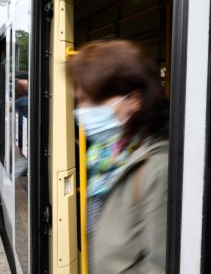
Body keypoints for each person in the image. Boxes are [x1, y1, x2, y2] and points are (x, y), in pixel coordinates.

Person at [68, 40, 169, 274]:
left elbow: (160, 265)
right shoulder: (107, 156)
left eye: (93, 100)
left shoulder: (157, 167)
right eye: (80, 100)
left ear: (133, 100)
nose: (82, 111)